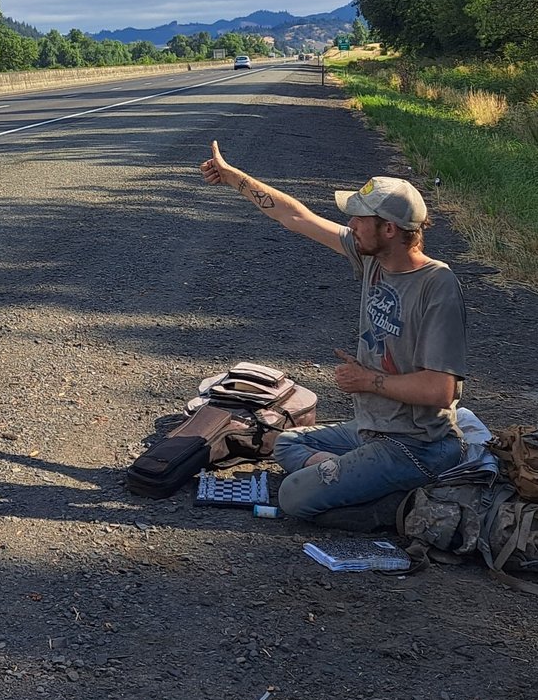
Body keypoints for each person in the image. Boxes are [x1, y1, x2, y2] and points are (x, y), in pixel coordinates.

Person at [198, 141, 467, 527]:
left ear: (388, 229)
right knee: (286, 441)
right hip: (372, 431)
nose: (351, 225)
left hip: (415, 446)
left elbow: (440, 390)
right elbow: (296, 218)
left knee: (293, 497)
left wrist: (367, 380)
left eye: (359, 218)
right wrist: (233, 178)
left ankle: (403, 508)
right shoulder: (372, 257)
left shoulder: (436, 285)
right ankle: (361, 479)